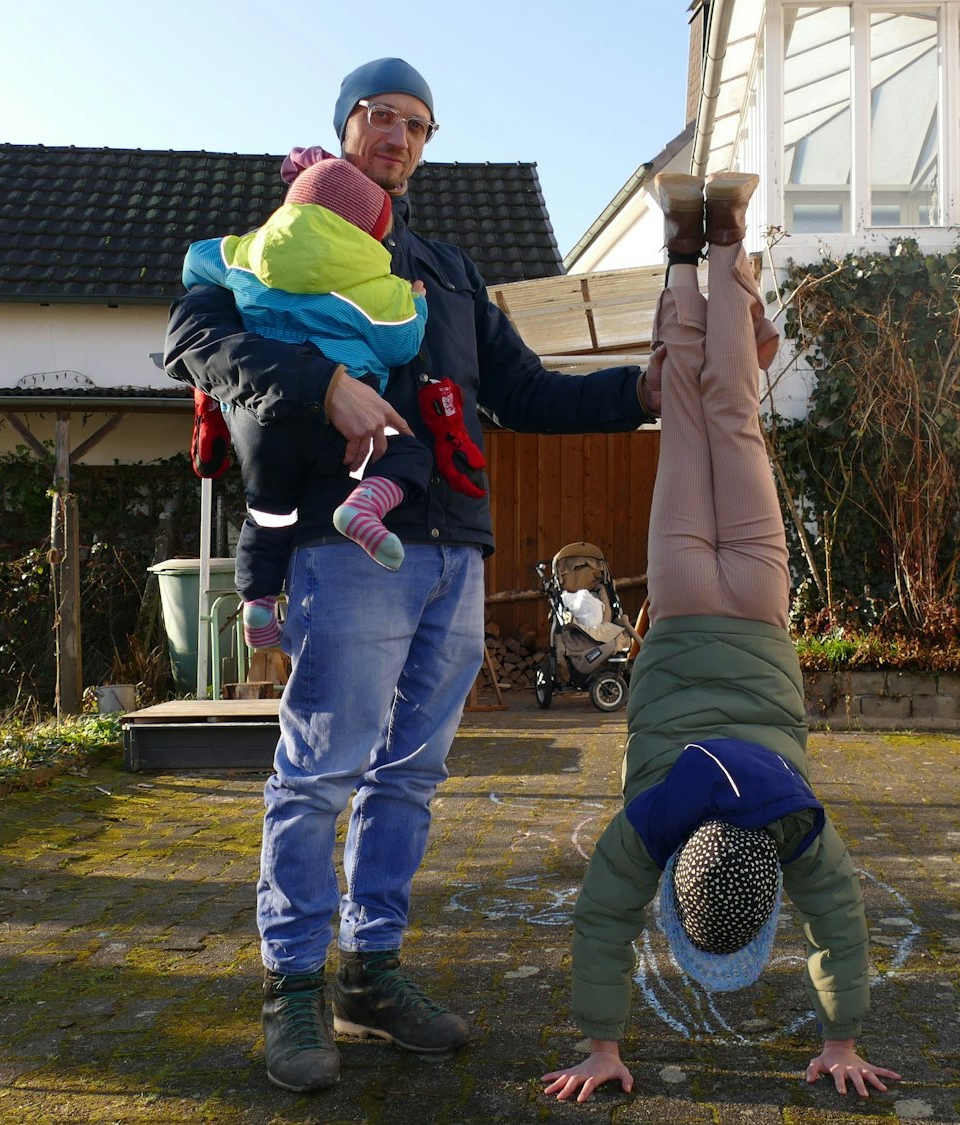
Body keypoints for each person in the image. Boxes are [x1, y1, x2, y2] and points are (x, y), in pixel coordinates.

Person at [164, 57, 661, 1093]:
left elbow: (522, 392)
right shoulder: (276, 242)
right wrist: (327, 384)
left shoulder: (447, 269)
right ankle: (292, 984)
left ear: (426, 146)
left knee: (410, 778)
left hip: (454, 553)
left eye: (415, 125)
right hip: (342, 550)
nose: (396, 136)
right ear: (345, 127)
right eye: (378, 117)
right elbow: (195, 339)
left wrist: (641, 388)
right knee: (318, 775)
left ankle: (371, 972)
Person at [539, 172, 902, 1102]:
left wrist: (845, 1036)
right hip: (686, 597)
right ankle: (679, 243)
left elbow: (839, 923)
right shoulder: (649, 825)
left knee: (731, 417)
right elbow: (603, 920)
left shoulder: (792, 825)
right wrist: (601, 1043)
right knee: (685, 422)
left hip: (759, 604)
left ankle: (728, 238)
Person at [181, 155, 446, 649]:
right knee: (409, 450)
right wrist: (418, 303)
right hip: (345, 424)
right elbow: (400, 345)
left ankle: (257, 602)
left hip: (263, 418)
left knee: (270, 513)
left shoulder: (246, 251)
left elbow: (194, 262)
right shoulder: (374, 279)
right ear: (370, 228)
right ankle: (364, 507)